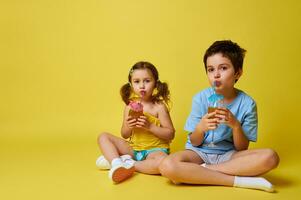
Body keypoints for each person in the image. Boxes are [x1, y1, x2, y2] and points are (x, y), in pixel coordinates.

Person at [159, 40, 279, 192]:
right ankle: (238, 181)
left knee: (271, 157)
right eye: (210, 70)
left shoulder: (248, 104)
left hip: (229, 156)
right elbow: (194, 142)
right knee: (166, 165)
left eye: (223, 68)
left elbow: (242, 148)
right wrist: (201, 128)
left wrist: (235, 125)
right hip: (198, 153)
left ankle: (198, 172)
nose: (216, 75)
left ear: (238, 72)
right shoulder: (200, 98)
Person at [96, 61, 175, 183]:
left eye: (147, 81)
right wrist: (129, 126)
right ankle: (117, 163)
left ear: (155, 84)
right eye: (137, 81)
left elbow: (170, 134)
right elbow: (125, 134)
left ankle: (128, 163)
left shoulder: (159, 107)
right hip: (134, 149)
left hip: (155, 151)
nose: (142, 86)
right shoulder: (130, 106)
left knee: (163, 163)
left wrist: (150, 126)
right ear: (131, 84)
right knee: (103, 137)